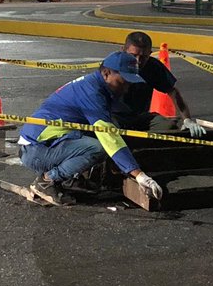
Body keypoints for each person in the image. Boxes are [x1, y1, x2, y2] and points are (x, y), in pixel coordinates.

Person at [18, 52, 165, 205]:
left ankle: (71, 179)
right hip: (36, 149)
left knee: (107, 131)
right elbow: (109, 137)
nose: (126, 88)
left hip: (44, 143)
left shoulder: (96, 85)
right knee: (98, 148)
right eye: (123, 81)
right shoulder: (92, 93)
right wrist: (139, 175)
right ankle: (46, 181)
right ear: (106, 73)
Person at [119, 31, 207, 137]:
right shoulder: (112, 66)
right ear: (123, 50)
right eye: (133, 55)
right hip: (114, 115)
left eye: (143, 57)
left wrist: (187, 120)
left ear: (150, 53)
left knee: (169, 128)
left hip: (138, 116)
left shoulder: (153, 67)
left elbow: (173, 92)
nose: (138, 61)